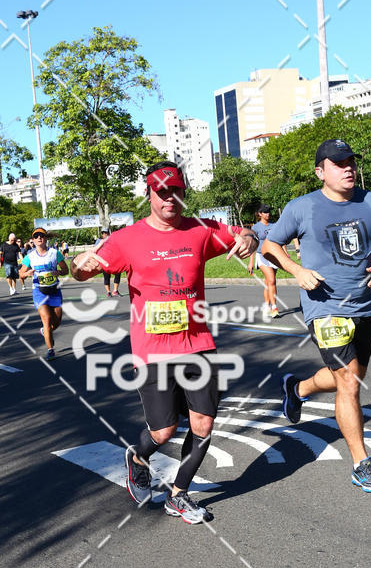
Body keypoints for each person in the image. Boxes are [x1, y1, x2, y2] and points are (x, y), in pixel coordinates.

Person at [70, 160, 258, 524]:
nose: (170, 198)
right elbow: (82, 270)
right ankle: (137, 457)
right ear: (149, 194)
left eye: (177, 191)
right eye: (162, 192)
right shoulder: (127, 239)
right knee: (164, 431)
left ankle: (179, 494)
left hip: (197, 343)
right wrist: (80, 264)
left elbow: (242, 233)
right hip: (152, 350)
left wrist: (248, 238)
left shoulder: (201, 231)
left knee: (203, 423)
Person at [264, 138, 371, 494]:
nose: (348, 168)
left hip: (363, 305)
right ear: (320, 171)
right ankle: (361, 463)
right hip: (324, 307)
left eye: (351, 161)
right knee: (350, 383)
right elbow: (270, 245)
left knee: (352, 376)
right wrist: (296, 270)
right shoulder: (302, 207)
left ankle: (298, 388)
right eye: (339, 163)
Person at [18, 227, 68, 359]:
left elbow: (65, 270)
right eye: (36, 236)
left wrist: (59, 272)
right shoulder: (30, 257)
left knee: (56, 322)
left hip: (54, 290)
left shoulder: (54, 253)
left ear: (46, 238)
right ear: (33, 240)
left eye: (42, 235)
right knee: (46, 320)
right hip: (39, 292)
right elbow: (20, 274)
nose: (39, 238)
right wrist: (26, 273)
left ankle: (45, 331)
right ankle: (50, 349)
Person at [248, 204, 281, 318]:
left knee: (269, 282)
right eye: (265, 212)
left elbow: (280, 241)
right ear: (260, 214)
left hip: (274, 256)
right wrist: (251, 262)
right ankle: (274, 308)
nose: (268, 214)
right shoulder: (255, 228)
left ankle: (267, 305)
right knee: (271, 280)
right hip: (261, 256)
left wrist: (285, 254)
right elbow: (252, 246)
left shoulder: (275, 225)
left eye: (268, 212)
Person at [96, 229, 121, 297]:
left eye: (106, 233)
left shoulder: (113, 240)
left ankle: (115, 291)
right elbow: (96, 250)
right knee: (106, 276)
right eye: (103, 233)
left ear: (109, 233)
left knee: (118, 273)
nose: (104, 234)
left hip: (114, 260)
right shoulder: (99, 241)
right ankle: (108, 292)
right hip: (104, 261)